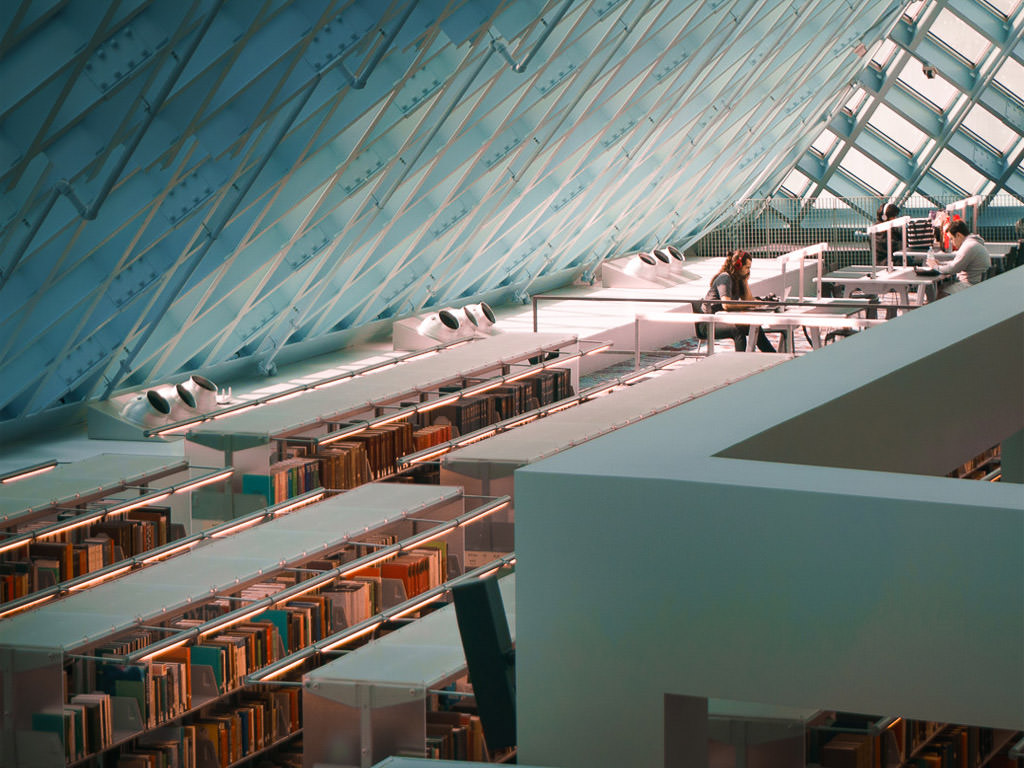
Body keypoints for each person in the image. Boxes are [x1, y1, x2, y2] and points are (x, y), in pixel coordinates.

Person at [699, 250, 777, 352]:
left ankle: (772, 354)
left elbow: (748, 300)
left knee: (754, 325)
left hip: (721, 320)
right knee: (738, 329)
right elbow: (726, 305)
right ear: (738, 266)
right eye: (747, 267)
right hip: (708, 323)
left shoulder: (737, 279)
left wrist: (745, 281)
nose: (748, 270)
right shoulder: (725, 278)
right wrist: (751, 305)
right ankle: (740, 361)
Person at [927, 218, 991, 296]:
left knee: (941, 293)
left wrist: (935, 266)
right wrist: (940, 263)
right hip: (976, 284)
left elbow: (953, 268)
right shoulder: (973, 243)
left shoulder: (969, 246)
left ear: (958, 235)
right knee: (941, 288)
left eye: (952, 239)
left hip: (970, 286)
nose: (952, 243)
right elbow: (957, 262)